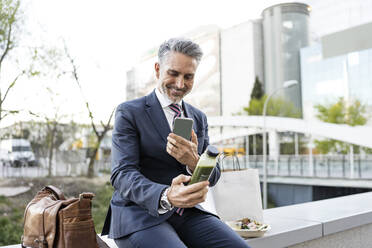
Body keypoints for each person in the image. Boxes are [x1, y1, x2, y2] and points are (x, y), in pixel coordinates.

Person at [102, 38, 250, 248]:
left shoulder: (198, 117)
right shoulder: (130, 112)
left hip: (187, 214)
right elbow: (122, 174)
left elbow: (214, 175)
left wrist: (194, 161)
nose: (180, 84)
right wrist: (167, 196)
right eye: (173, 73)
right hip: (139, 215)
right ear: (157, 69)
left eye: (188, 77)